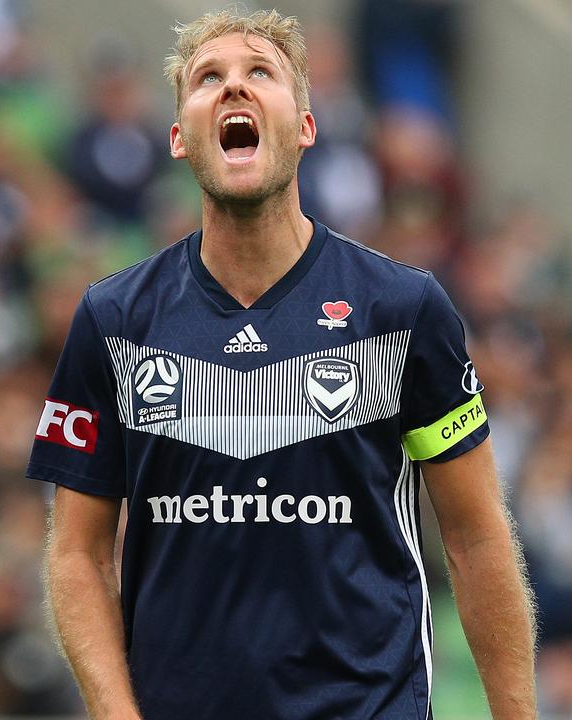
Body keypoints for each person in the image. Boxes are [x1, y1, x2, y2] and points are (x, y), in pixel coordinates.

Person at [28, 9, 537, 719]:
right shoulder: (115, 320)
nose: (234, 88)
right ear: (179, 138)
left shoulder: (401, 309)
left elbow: (476, 534)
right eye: (209, 78)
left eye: (259, 72)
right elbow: (78, 555)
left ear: (304, 126)